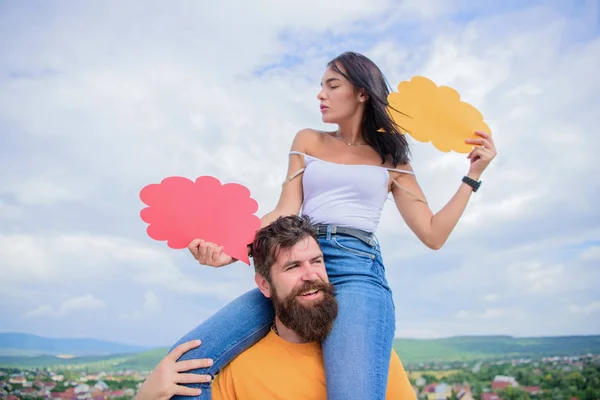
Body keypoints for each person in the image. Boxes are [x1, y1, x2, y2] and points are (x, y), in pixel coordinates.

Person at [176, 51, 497, 400]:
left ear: (361, 93)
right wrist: (232, 249)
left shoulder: (392, 160)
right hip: (298, 264)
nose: (320, 95)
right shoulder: (307, 141)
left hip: (358, 272)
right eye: (320, 86)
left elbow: (433, 234)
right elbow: (285, 209)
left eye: (332, 85)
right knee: (186, 361)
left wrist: (473, 176)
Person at [137, 216, 416, 400]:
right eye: (293, 266)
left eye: (317, 261)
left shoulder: (365, 352)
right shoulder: (239, 369)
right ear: (264, 285)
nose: (311, 275)